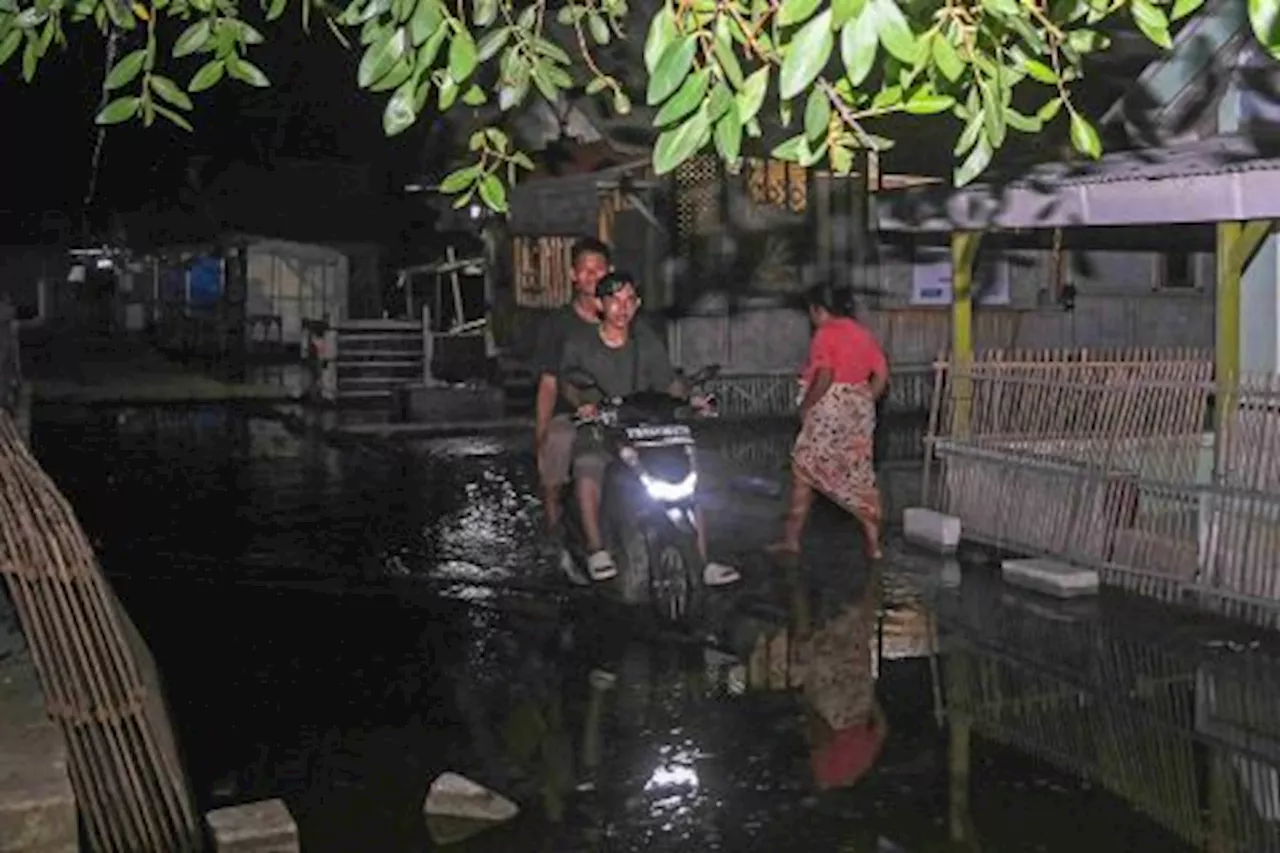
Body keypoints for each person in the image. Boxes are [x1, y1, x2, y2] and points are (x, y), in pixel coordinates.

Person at [558, 271, 740, 586]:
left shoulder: (647, 340)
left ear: (638, 304)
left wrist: (693, 398)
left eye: (629, 300)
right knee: (587, 466)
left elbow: (668, 381)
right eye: (614, 301)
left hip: (648, 427)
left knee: (689, 472)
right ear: (600, 305)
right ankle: (596, 548)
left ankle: (702, 558)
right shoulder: (580, 343)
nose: (622, 308)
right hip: (602, 427)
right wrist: (582, 405)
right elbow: (569, 383)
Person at [768, 284, 890, 559]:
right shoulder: (863, 334)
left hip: (828, 407)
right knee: (859, 474)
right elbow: (881, 373)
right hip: (859, 406)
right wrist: (863, 401)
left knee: (803, 468)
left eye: (812, 311)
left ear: (819, 310)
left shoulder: (826, 334)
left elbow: (824, 374)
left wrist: (806, 405)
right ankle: (874, 546)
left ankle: (792, 540)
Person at [533, 237, 611, 541]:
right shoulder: (558, 325)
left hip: (616, 411)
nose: (593, 277)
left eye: (599, 270)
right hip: (571, 415)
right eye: (586, 270)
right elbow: (549, 383)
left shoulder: (622, 316)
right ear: (573, 276)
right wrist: (540, 434)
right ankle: (555, 530)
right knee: (557, 448)